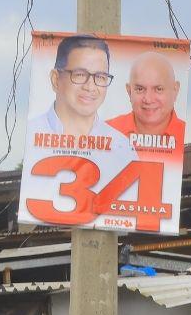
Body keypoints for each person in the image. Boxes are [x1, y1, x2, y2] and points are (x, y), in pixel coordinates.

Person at [23, 34, 138, 222]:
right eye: (80, 75)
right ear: (55, 79)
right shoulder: (31, 136)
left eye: (100, 77)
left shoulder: (123, 149)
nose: (91, 86)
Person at [106, 51, 186, 158]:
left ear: (175, 90)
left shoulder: (187, 137)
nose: (148, 99)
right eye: (140, 89)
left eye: (158, 89)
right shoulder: (105, 133)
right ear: (129, 92)